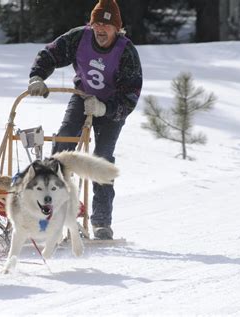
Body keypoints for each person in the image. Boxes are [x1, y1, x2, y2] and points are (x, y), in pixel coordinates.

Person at [27, 0, 143, 240]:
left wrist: (105, 108)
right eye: (97, 23)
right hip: (82, 97)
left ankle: (101, 221)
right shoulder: (79, 37)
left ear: (117, 28)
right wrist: (37, 76)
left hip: (111, 109)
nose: (101, 29)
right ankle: (55, 212)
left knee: (102, 160)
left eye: (107, 25)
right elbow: (50, 53)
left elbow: (131, 96)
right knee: (61, 149)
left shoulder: (126, 51)